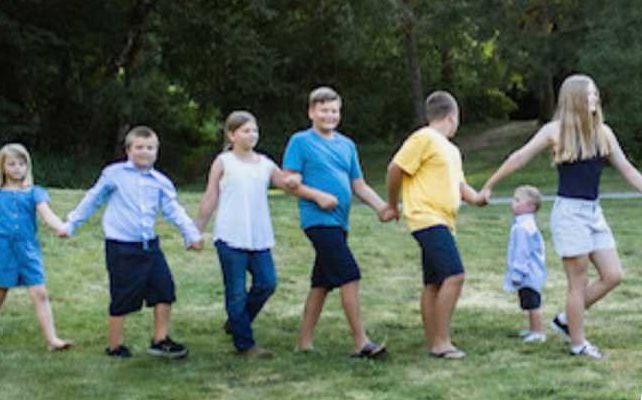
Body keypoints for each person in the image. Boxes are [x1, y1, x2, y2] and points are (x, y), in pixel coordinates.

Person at [478, 74, 642, 359]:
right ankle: (578, 343)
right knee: (577, 283)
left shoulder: (604, 133)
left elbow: (628, 169)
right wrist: (489, 184)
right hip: (569, 214)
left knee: (612, 275)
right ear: (574, 98)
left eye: (596, 94)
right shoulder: (556, 130)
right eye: (589, 94)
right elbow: (519, 157)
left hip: (593, 212)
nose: (595, 99)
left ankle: (565, 320)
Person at [65, 126, 203, 359]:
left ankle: (160, 341)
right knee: (122, 295)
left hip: (149, 246)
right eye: (139, 147)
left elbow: (173, 210)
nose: (144, 152)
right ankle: (115, 346)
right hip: (121, 247)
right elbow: (92, 199)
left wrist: (191, 234)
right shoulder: (114, 174)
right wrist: (70, 224)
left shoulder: (160, 181)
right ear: (128, 150)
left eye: (150, 148)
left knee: (164, 290)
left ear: (157, 152)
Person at [282, 88, 396, 358]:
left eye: (334, 110)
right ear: (311, 112)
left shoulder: (347, 145)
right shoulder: (300, 142)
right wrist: (317, 196)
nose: (329, 115)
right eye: (323, 110)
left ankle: (304, 342)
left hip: (340, 222)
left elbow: (358, 184)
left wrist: (382, 207)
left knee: (321, 283)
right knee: (349, 274)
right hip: (318, 221)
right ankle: (361, 342)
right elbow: (289, 182)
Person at [386, 90, 487, 359]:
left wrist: (476, 198)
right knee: (455, 275)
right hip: (425, 217)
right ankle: (442, 342)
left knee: (434, 283)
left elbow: (459, 184)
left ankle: (434, 341)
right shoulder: (423, 138)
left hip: (443, 220)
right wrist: (392, 204)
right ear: (452, 117)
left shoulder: (451, 150)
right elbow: (395, 168)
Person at [194, 111, 301, 359]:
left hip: (259, 236)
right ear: (232, 135)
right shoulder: (223, 162)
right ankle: (245, 344)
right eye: (245, 130)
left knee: (267, 282)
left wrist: (294, 179)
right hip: (230, 236)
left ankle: (237, 321)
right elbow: (211, 196)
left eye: (254, 130)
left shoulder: (265, 163)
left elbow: (284, 182)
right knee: (236, 291)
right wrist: (197, 228)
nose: (251, 135)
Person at [0, 143, 72, 350]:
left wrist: (61, 227)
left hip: (28, 250)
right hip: (3, 249)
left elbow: (47, 214)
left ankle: (52, 340)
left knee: (40, 293)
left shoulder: (35, 193)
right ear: (2, 167)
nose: (17, 168)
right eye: (12, 164)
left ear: (27, 167)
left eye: (21, 164)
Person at [504, 185, 548, 343]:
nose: (513, 203)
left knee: (533, 303)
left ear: (530, 207)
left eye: (517, 200)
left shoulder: (524, 227)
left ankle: (538, 332)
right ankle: (532, 329)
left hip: (528, 273)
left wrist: (517, 273)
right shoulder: (523, 224)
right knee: (529, 302)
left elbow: (522, 252)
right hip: (530, 272)